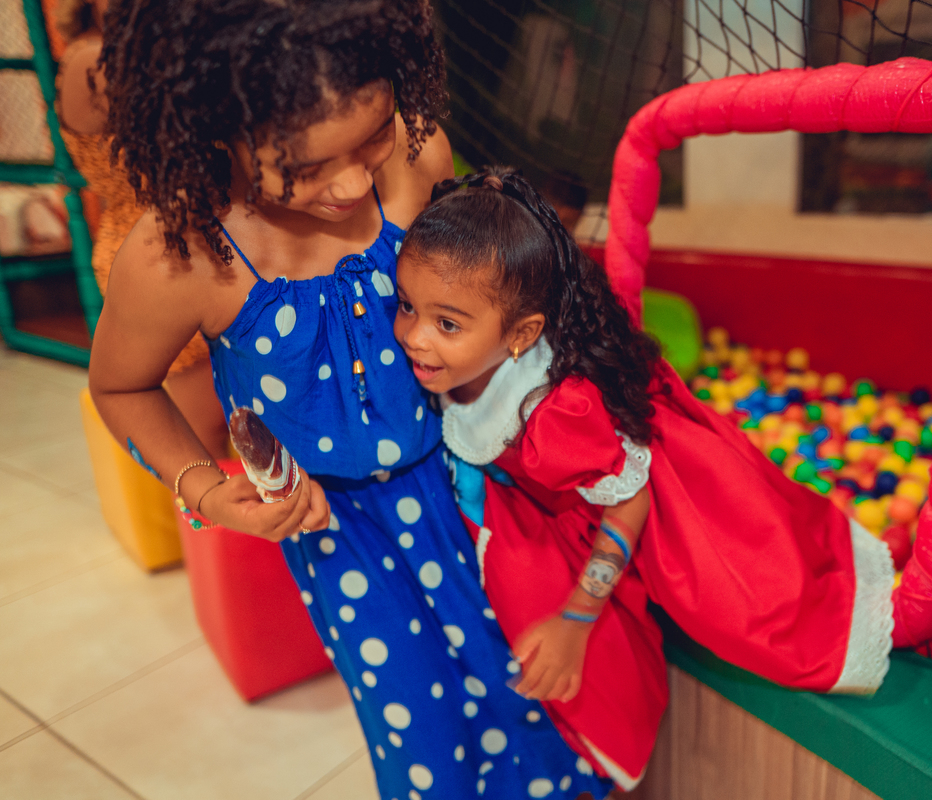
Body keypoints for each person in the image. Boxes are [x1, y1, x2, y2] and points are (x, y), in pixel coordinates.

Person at [87, 3, 612, 798]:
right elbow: (120, 386)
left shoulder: (414, 156)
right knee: (420, 729)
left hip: (477, 492)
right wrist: (203, 490)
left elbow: (492, 281)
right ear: (212, 129)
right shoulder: (182, 255)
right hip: (345, 539)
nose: (353, 181)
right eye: (301, 167)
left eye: (370, 137)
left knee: (534, 702)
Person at [392, 168, 896, 790]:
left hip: (623, 505)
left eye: (446, 324)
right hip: (551, 499)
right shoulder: (465, 357)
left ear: (521, 336)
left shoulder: (553, 417)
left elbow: (629, 504)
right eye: (407, 306)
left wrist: (578, 618)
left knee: (744, 597)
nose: (413, 337)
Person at [54, 0, 227, 457]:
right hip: (161, 257)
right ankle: (210, 529)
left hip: (207, 249)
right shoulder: (94, 59)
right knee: (204, 444)